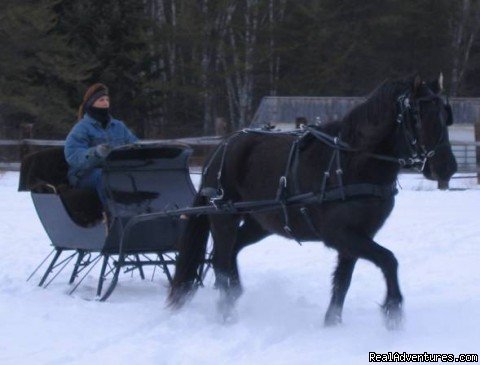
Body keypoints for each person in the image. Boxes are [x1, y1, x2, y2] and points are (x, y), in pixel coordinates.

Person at [64, 83, 138, 205]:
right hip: (85, 174)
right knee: (104, 177)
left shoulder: (118, 126)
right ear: (91, 103)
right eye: (101, 100)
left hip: (115, 169)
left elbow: (134, 144)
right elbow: (73, 155)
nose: (105, 103)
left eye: (107, 100)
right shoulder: (81, 128)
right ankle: (111, 215)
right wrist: (96, 153)